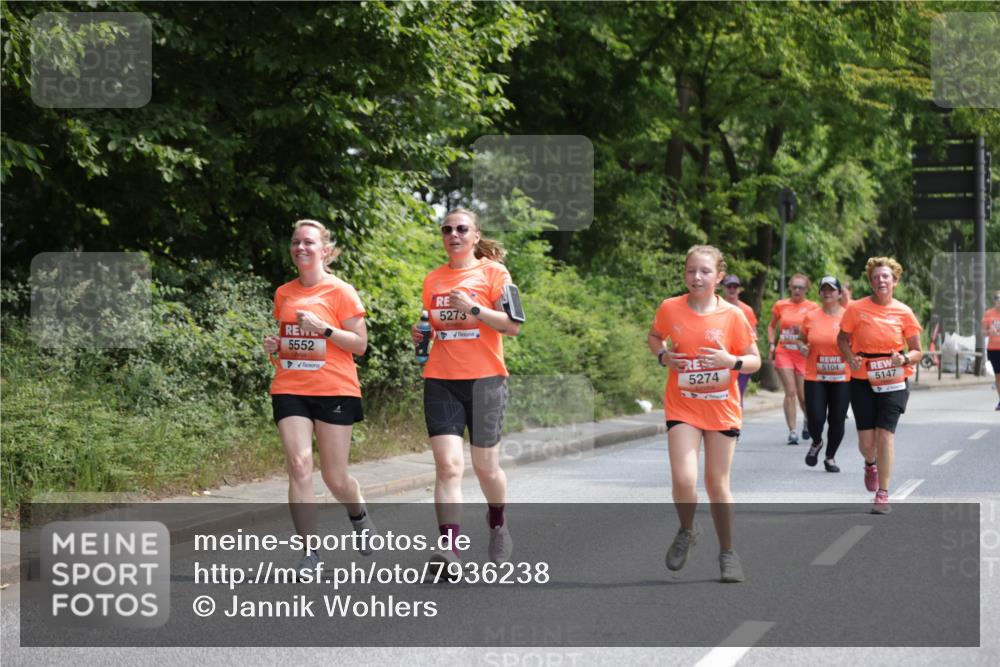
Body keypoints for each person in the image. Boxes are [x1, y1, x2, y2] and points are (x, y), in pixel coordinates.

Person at [410, 207, 523, 568]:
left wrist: (474, 308)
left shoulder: (495, 273)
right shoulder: (433, 280)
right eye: (447, 229)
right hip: (441, 379)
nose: (453, 235)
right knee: (447, 466)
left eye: (461, 229)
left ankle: (498, 522)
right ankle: (450, 549)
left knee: (486, 467)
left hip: (485, 380)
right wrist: (421, 334)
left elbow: (512, 325)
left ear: (476, 236)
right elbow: (434, 326)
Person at [263, 219, 377, 570]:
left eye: (309, 242)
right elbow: (295, 344)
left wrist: (324, 328)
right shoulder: (284, 293)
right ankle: (310, 554)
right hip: (290, 387)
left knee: (335, 477)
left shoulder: (341, 291)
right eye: (296, 241)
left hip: (335, 389)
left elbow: (359, 345)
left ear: (324, 251)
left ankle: (357, 511)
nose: (301, 247)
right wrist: (277, 346)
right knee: (299, 465)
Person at [648, 245, 761, 583]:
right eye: (690, 271)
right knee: (684, 478)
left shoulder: (734, 316)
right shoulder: (671, 308)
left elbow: (754, 359)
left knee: (716, 484)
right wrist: (665, 357)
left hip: (722, 409)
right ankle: (687, 529)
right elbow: (655, 337)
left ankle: (728, 553)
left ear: (719, 277)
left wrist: (732, 362)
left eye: (705, 271)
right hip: (683, 404)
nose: (696, 277)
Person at [837, 257, 922, 515]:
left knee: (885, 436)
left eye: (885, 276)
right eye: (876, 277)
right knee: (866, 442)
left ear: (894, 280)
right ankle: (870, 463)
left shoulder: (904, 312)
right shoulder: (856, 309)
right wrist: (850, 358)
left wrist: (904, 358)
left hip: (894, 378)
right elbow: (842, 338)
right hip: (863, 378)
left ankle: (883, 493)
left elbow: (917, 350)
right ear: (871, 282)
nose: (880, 280)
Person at [799, 277, 850, 472]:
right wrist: (802, 347)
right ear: (820, 293)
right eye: (824, 289)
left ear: (839, 293)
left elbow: (857, 343)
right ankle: (817, 441)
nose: (827, 292)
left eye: (832, 289)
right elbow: (801, 339)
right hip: (815, 376)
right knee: (815, 418)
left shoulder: (848, 316)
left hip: (842, 378)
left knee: (837, 419)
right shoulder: (811, 317)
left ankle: (830, 457)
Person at [768, 274, 820, 445]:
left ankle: (807, 418)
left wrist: (810, 345)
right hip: (784, 352)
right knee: (790, 391)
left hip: (803, 355)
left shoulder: (813, 307)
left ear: (807, 289)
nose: (797, 290)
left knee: (803, 396)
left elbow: (816, 329)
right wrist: (771, 344)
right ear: (789, 287)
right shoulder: (780, 305)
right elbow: (771, 325)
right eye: (794, 287)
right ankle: (792, 431)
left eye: (801, 288)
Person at [721, 275, 759, 408]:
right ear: (723, 288)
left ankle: (735, 425)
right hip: (723, 358)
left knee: (738, 393)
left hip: (741, 359)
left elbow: (754, 333)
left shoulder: (746, 310)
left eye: (735, 286)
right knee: (722, 393)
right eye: (729, 286)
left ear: (739, 289)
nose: (732, 289)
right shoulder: (717, 307)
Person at [981, 290, 1000, 410]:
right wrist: (989, 332)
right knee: (998, 376)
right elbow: (982, 332)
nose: (999, 300)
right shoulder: (988, 314)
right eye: (997, 298)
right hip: (993, 349)